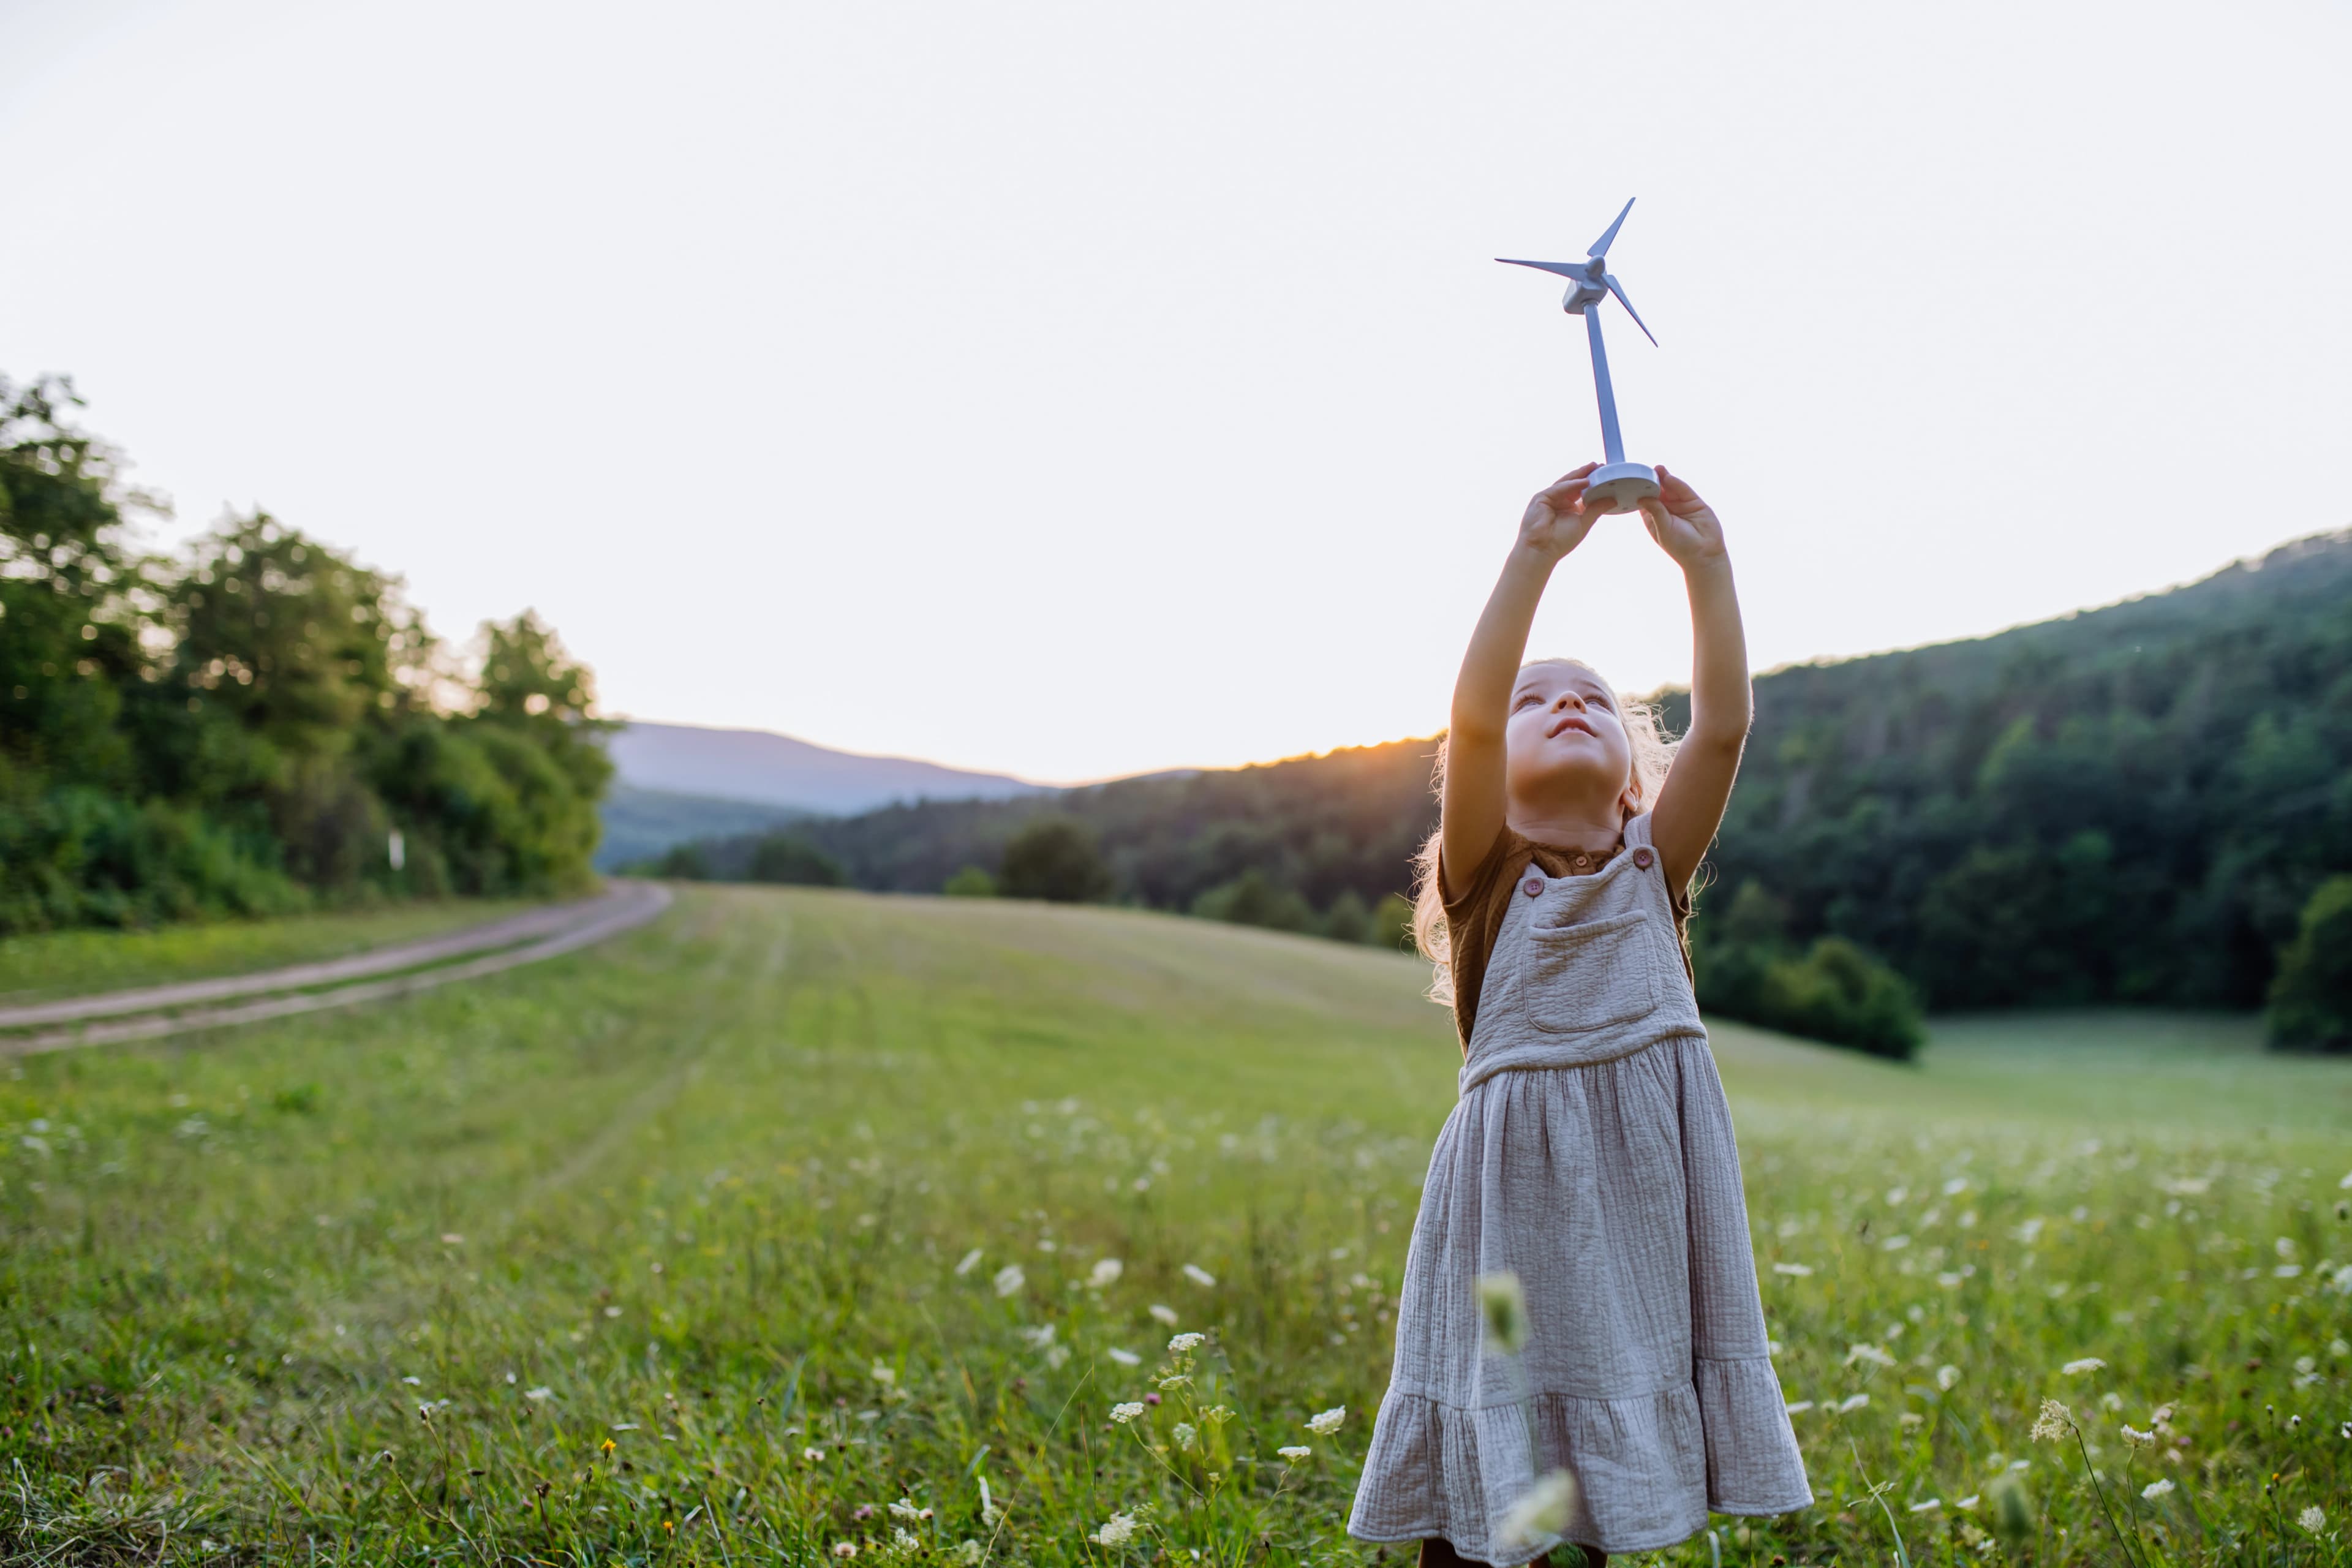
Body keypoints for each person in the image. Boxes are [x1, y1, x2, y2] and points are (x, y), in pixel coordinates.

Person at [1347, 462, 1811, 1567]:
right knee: (1499, 1459)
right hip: (1511, 1204)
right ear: (1488, 778)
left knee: (1596, 1453)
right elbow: (1465, 719)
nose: (1566, 702)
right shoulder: (1487, 878)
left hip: (1644, 1199)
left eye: (1594, 697)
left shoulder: (1654, 868)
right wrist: (1534, 559)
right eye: (1534, 699)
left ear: (1629, 785)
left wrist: (1708, 568)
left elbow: (1724, 729)